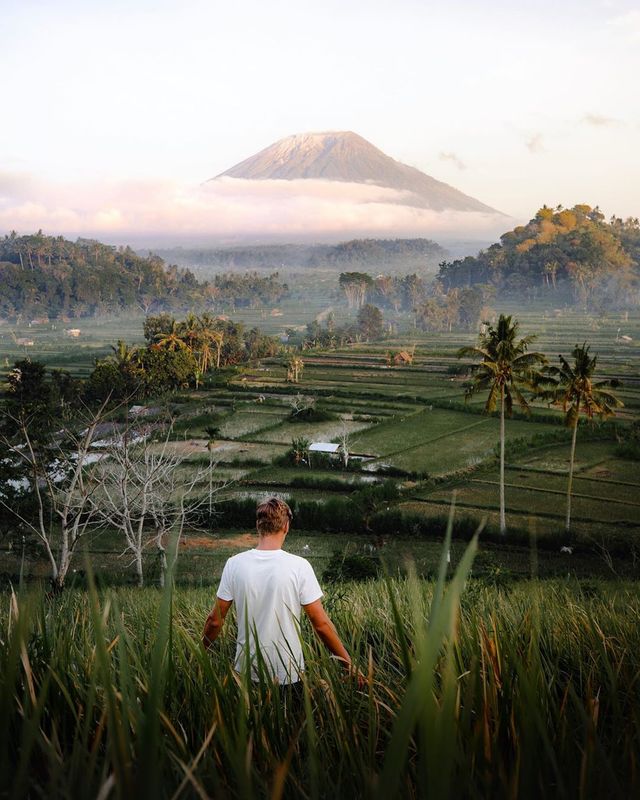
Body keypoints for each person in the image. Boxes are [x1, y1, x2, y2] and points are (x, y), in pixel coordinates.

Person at [202, 497, 355, 685]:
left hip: (246, 672)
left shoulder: (234, 564)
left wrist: (199, 653)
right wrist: (349, 664)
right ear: (286, 526)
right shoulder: (299, 566)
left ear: (258, 526)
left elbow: (215, 620)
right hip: (289, 673)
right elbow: (321, 624)